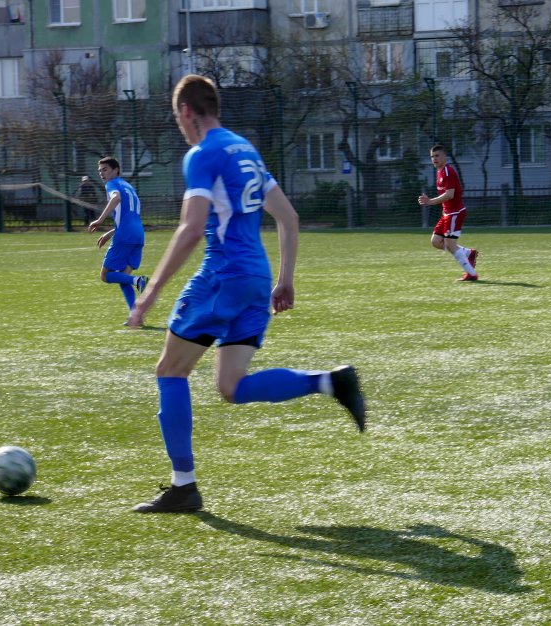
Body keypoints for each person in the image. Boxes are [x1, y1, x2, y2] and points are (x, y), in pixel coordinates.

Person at [128, 74, 367, 513]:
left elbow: (191, 228)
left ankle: (184, 487)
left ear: (186, 112)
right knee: (231, 387)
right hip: (257, 278)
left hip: (221, 276)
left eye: (177, 118)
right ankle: (329, 381)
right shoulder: (246, 150)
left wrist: (151, 292)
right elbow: (288, 217)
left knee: (170, 371)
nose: (180, 127)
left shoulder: (203, 154)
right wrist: (285, 279)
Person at [87, 157, 148, 322]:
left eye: (105, 169)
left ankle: (138, 280)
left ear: (116, 170)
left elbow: (116, 198)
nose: (102, 173)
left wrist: (100, 220)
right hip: (138, 235)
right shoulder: (129, 187)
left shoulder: (112, 184)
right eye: (100, 171)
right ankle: (136, 317)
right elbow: (129, 216)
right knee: (122, 277)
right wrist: (109, 233)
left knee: (105, 275)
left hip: (125, 236)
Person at [418, 144, 479, 281]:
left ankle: (472, 274)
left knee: (451, 245)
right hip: (447, 214)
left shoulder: (447, 172)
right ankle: (469, 253)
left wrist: (430, 201)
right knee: (436, 242)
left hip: (455, 213)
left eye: (437, 156)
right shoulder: (440, 171)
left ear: (445, 157)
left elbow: (450, 194)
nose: (434, 159)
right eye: (432, 156)